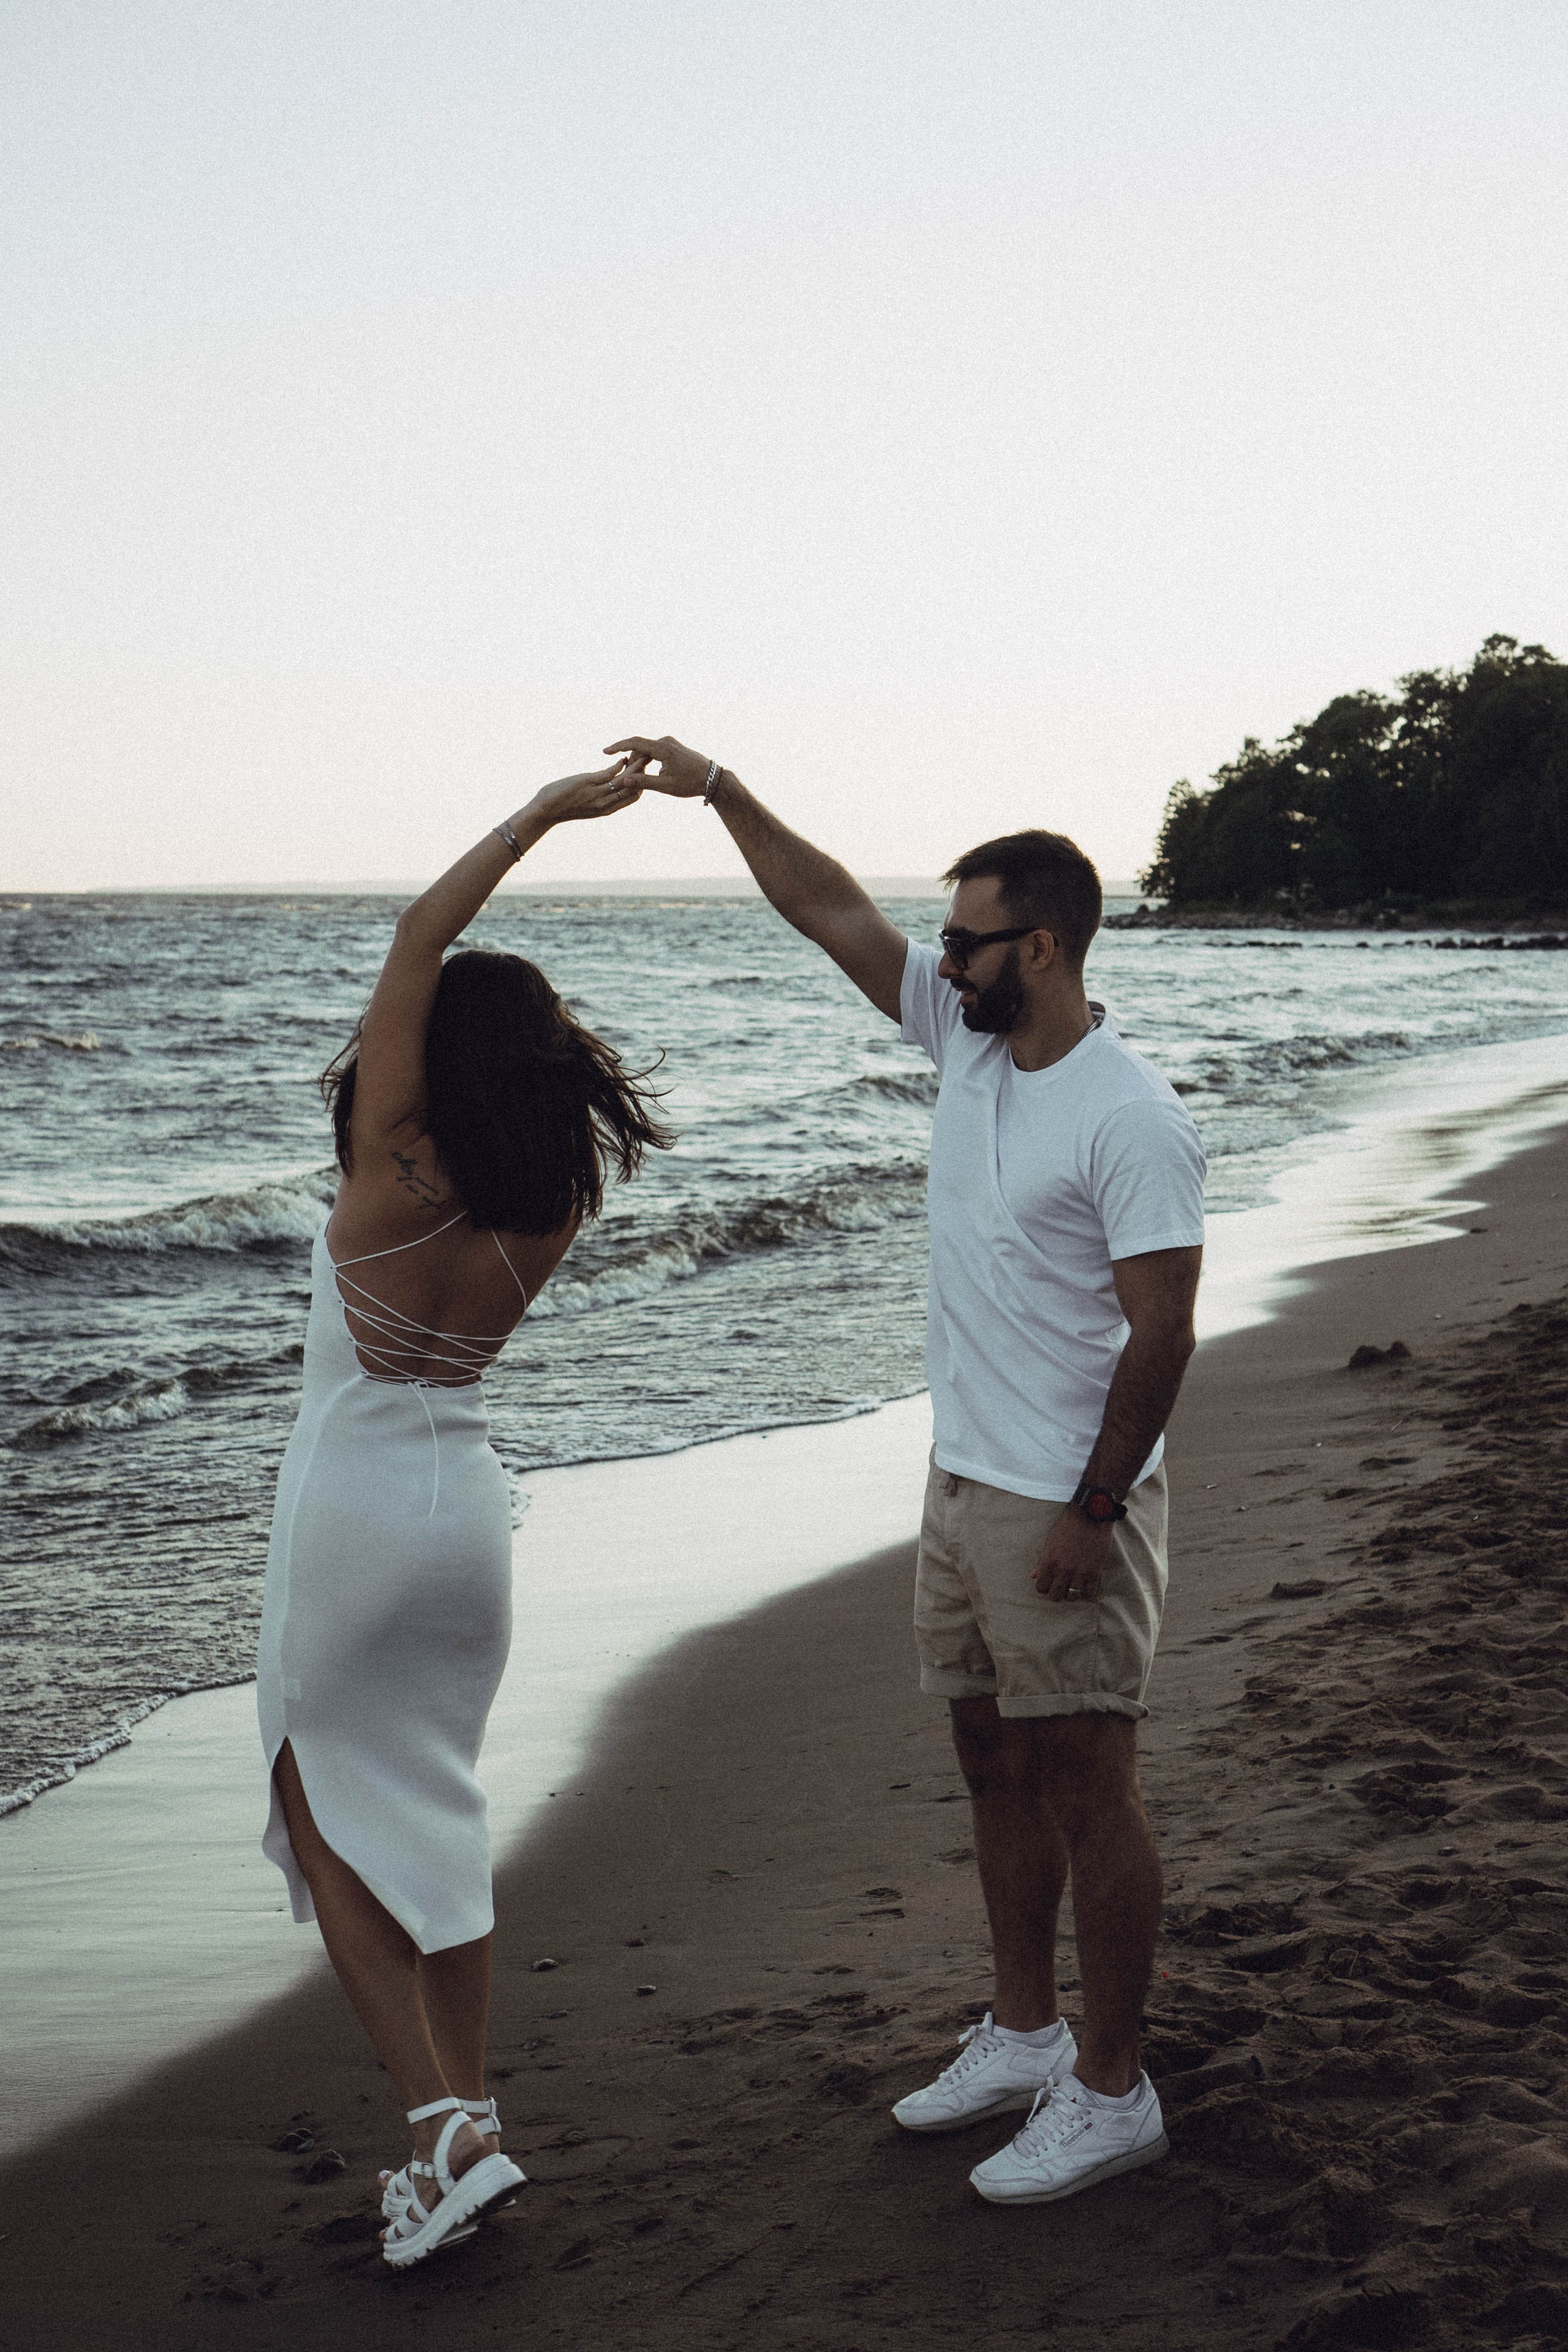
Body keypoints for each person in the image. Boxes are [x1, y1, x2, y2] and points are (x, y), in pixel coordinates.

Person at [607, 733, 1205, 2206]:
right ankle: (1019, 2034)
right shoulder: (968, 1041)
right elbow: (829, 914)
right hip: (959, 1485)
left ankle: (1113, 2090)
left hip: (1065, 1500)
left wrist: (1090, 1506)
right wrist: (725, 793)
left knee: (1088, 1783)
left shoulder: (1127, 1114)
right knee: (991, 1763)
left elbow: (1163, 1333)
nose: (939, 961)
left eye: (968, 939)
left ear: (1045, 948)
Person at [255, 759, 669, 2268]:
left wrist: (538, 819)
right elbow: (430, 975)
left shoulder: (391, 1158)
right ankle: (470, 2128)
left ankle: (437, 2125)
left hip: (355, 1505)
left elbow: (411, 944)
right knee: (439, 1810)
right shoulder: (544, 1195)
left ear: (436, 1053)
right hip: (467, 1511)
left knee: (316, 1805)